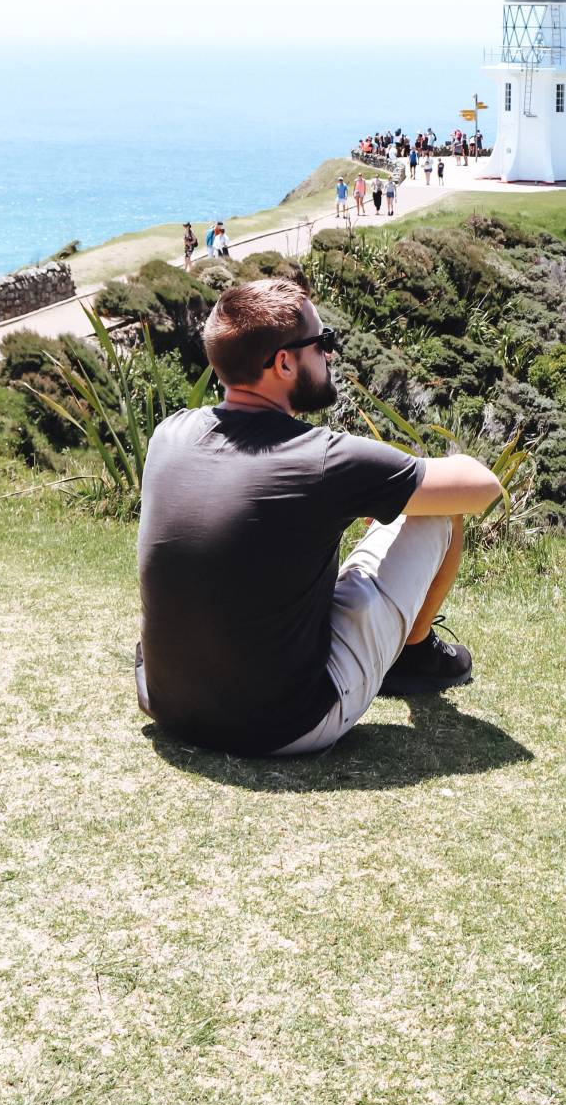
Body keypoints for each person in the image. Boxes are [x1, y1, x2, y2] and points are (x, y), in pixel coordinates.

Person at [135, 280, 497, 756]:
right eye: (322, 343)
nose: (331, 355)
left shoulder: (170, 433)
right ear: (284, 363)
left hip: (167, 703)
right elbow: (481, 486)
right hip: (287, 725)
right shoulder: (322, 458)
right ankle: (414, 654)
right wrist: (394, 494)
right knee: (440, 511)